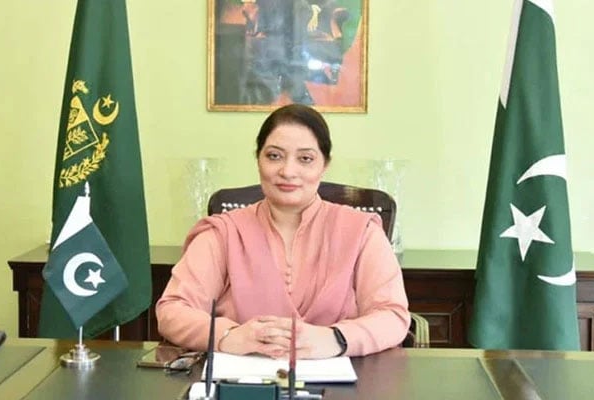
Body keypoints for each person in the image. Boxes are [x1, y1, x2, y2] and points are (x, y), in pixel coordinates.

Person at [156, 104, 410, 359]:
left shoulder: (361, 232)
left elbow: (393, 315)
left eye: (305, 159)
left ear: (325, 165)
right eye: (274, 156)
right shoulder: (224, 232)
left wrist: (335, 338)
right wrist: (228, 336)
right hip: (241, 383)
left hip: (339, 382)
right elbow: (173, 310)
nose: (288, 171)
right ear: (258, 159)